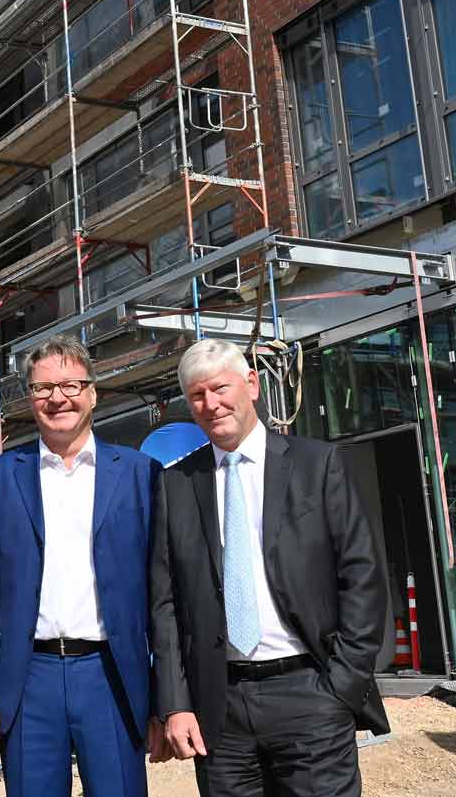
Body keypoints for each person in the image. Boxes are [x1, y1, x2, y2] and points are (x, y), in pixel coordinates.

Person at [149, 338, 390, 797]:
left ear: (253, 385)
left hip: (310, 692)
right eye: (197, 395)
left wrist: (342, 686)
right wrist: (176, 704)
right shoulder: (175, 485)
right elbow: (165, 604)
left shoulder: (317, 466)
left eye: (221, 388)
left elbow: (362, 577)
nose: (211, 404)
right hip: (220, 708)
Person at [0, 337, 163, 797]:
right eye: (43, 388)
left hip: (111, 674)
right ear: (29, 398)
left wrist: (165, 697)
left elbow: (160, 592)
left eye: (71, 385)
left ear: (93, 394)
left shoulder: (140, 474)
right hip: (28, 677)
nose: (58, 398)